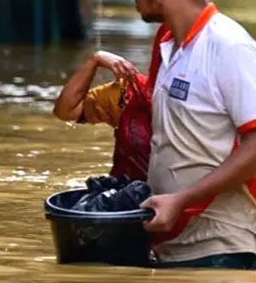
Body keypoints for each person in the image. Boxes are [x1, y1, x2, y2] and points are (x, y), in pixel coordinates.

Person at [124, 0, 256, 271]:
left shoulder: (228, 45)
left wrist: (182, 200)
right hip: (173, 246)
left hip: (222, 249)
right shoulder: (167, 46)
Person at [52, 26, 170, 180]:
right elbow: (66, 111)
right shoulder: (130, 93)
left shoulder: (200, 103)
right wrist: (95, 60)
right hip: (128, 196)